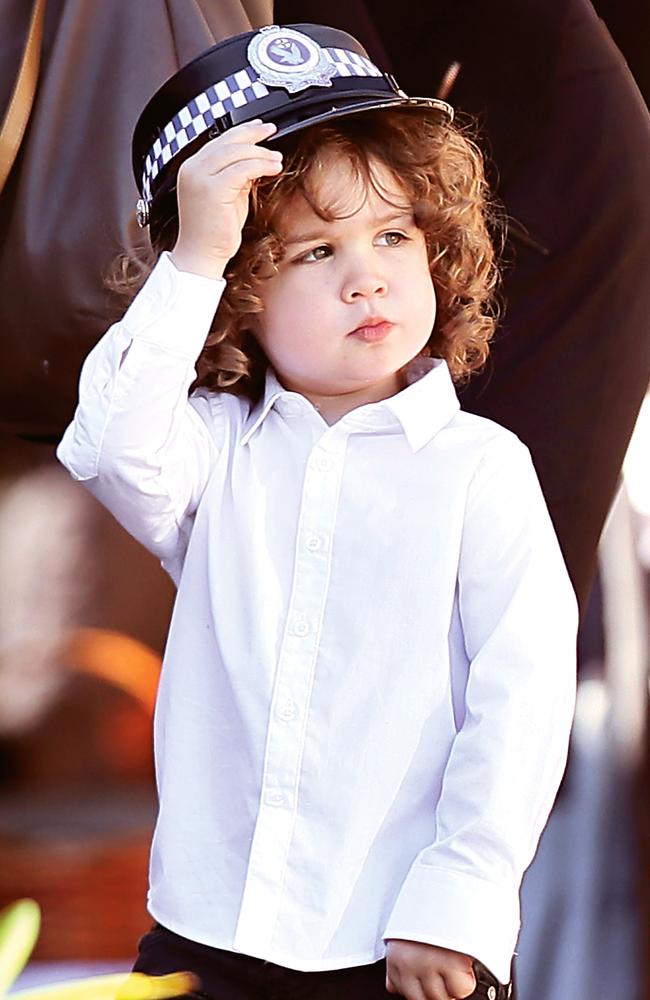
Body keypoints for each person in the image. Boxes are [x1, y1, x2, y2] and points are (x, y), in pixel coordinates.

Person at [56, 23, 577, 1000]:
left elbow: (520, 708)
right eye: (313, 251)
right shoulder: (214, 448)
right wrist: (193, 259)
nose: (365, 275)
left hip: (400, 944)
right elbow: (105, 444)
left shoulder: (479, 469)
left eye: (391, 235)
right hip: (208, 933)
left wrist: (454, 903)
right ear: (242, 292)